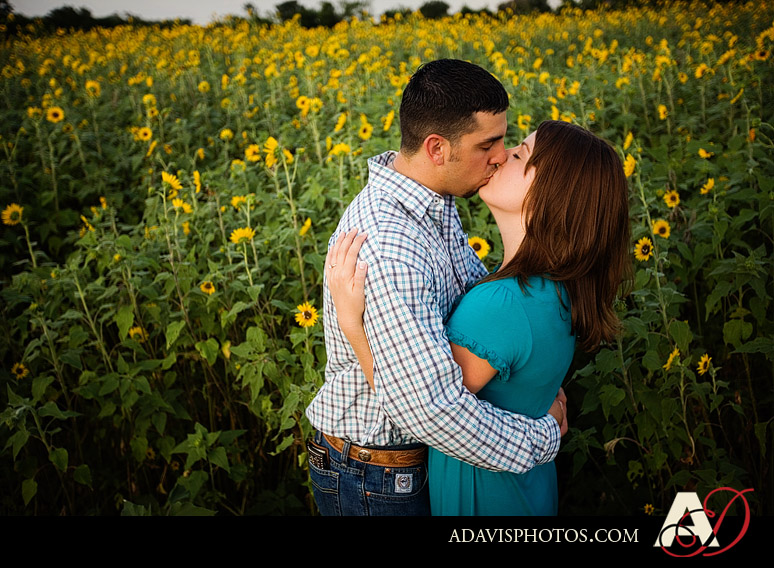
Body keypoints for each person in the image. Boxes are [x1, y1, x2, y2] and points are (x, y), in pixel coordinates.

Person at [304, 59, 568, 517]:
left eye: (505, 141)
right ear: (437, 148)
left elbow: (472, 302)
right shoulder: (388, 244)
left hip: (410, 460)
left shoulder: (434, 202)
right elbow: (431, 410)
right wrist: (542, 435)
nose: (501, 156)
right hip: (378, 475)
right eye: (488, 144)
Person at [326, 120, 631, 515]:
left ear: (549, 196)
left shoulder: (502, 303)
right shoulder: (558, 290)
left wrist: (352, 324)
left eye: (519, 154)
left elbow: (422, 407)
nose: (501, 156)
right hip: (526, 492)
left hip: (486, 499)